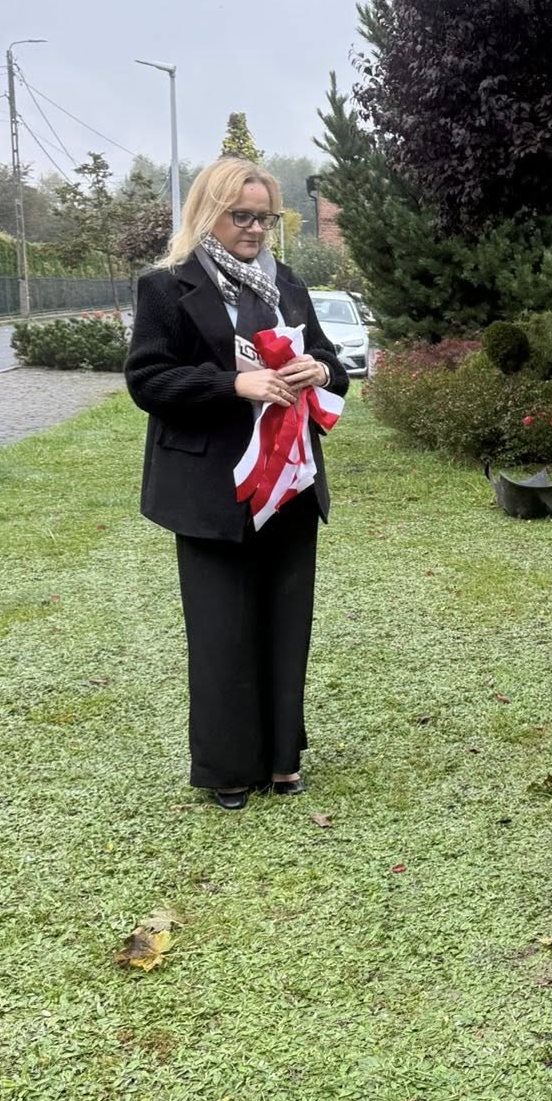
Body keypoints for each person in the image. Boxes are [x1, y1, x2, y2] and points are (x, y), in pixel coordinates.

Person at [124, 156, 349, 809]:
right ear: (209, 212)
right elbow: (148, 379)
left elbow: (331, 362)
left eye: (264, 218)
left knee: (286, 622)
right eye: (241, 216)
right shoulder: (166, 286)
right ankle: (227, 767)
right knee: (221, 631)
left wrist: (318, 371)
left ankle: (281, 760)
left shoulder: (288, 283)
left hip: (290, 485)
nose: (254, 229)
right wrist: (233, 384)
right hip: (210, 490)